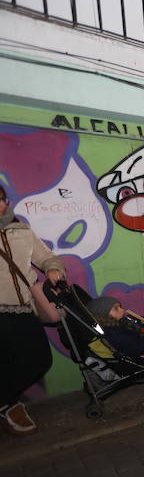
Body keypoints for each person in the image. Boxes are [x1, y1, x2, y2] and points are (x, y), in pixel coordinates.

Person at [0, 185, 66, 436]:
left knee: (39, 360)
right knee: (4, 363)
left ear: (6, 201)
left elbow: (47, 257)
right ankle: (11, 406)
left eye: (1, 199)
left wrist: (53, 268)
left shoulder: (22, 231)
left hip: (23, 308)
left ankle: (5, 401)